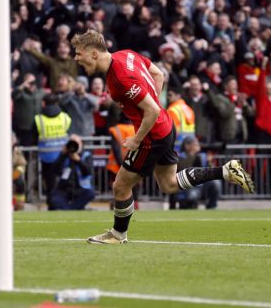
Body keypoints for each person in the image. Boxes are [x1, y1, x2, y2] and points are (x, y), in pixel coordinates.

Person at [70, 29, 254, 244]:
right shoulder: (126, 55)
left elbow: (152, 111)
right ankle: (225, 170)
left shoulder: (120, 77)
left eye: (78, 53)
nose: (76, 58)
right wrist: (152, 103)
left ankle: (118, 234)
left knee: (120, 185)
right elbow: (159, 74)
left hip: (151, 135)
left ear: (93, 53)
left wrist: (137, 138)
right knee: (169, 184)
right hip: (164, 127)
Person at [33, 93, 72, 206]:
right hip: (63, 155)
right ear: (56, 103)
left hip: (46, 156)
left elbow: (33, 136)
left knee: (50, 183)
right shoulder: (65, 117)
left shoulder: (38, 119)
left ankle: (51, 204)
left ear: (43, 103)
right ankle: (64, 203)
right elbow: (69, 132)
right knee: (64, 180)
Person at [49, 134, 96, 210]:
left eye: (76, 143)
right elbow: (55, 171)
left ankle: (68, 209)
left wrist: (79, 161)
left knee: (90, 193)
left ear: (81, 144)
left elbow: (88, 172)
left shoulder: (86, 155)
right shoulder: (64, 155)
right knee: (54, 200)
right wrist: (62, 155)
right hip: (64, 188)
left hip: (81, 187)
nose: (73, 146)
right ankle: (73, 209)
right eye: (71, 143)